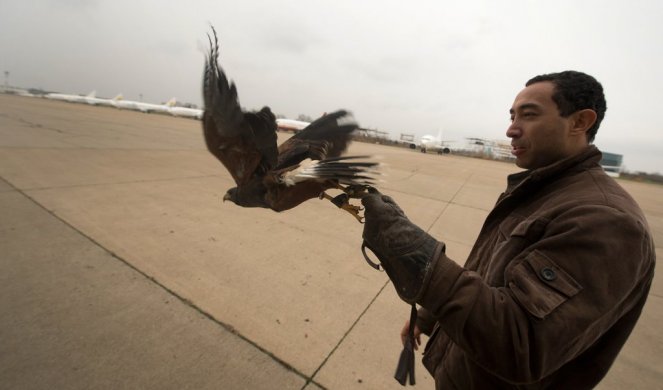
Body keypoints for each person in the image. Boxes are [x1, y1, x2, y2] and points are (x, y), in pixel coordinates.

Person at [361, 70, 656, 388]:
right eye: (512, 116)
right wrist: (432, 315)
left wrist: (409, 249)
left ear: (579, 122)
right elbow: (492, 276)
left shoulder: (605, 221)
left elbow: (519, 343)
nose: (511, 130)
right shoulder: (543, 190)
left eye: (528, 115)